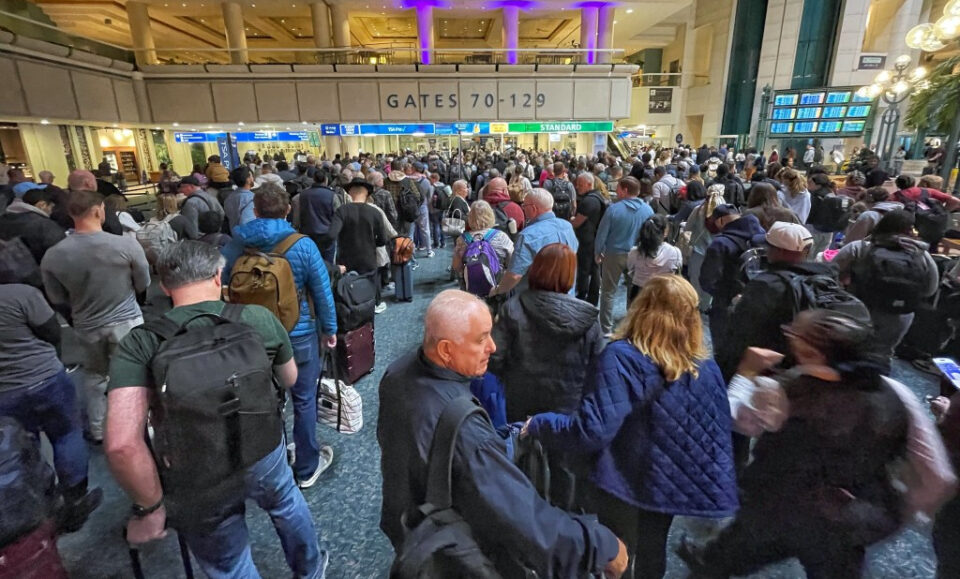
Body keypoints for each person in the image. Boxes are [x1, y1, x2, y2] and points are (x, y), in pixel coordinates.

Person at [105, 241, 328, 578]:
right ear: (218, 275)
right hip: (262, 444)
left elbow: (121, 443)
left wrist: (150, 508)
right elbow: (290, 378)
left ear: (164, 286)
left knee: (229, 562)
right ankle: (310, 570)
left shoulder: (141, 342)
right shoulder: (255, 317)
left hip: (195, 466)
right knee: (285, 502)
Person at [377, 289, 628, 578]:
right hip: (451, 550)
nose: (493, 347)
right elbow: (527, 521)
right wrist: (600, 544)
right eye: (481, 338)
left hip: (405, 523)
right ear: (446, 349)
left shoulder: (395, 374)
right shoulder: (467, 431)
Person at [525, 275, 738, 579]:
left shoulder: (622, 358)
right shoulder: (705, 366)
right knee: (653, 550)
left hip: (622, 479)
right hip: (668, 481)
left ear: (642, 308)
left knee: (617, 553)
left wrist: (541, 423)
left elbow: (591, 430)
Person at [679, 310, 909, 578]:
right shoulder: (895, 394)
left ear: (814, 351)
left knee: (725, 558)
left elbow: (734, 418)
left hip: (776, 505)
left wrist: (747, 371)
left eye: (793, 333)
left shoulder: (787, 391)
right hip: (844, 517)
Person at [221, 183, 338, 488]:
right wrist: (330, 329)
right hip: (296, 333)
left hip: (250, 334)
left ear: (255, 210)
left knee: (266, 401)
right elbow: (322, 291)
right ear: (288, 209)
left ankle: (274, 462)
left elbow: (220, 282)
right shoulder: (302, 245)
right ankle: (307, 466)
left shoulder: (237, 243)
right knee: (303, 398)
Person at [40, 190, 150, 443]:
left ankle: (99, 429)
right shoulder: (124, 245)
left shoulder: (54, 255)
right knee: (134, 372)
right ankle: (138, 425)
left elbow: (56, 296)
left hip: (86, 324)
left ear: (70, 213)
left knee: (95, 376)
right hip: (126, 320)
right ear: (99, 210)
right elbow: (142, 282)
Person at [0, 279, 103, 533]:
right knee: (67, 436)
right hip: (45, 378)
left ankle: (40, 507)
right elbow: (52, 332)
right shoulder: (20, 294)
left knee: (23, 448)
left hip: (5, 391)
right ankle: (76, 501)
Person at [489, 243, 601, 422]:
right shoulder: (588, 318)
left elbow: (494, 359)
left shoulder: (512, 308)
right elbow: (598, 368)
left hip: (521, 402)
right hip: (569, 405)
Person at [718, 222, 833, 378]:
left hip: (763, 369)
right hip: (801, 369)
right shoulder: (825, 278)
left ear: (780, 251)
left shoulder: (766, 284)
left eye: (770, 246)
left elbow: (740, 334)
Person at [832, 210, 939, 364]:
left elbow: (830, 273)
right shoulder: (921, 255)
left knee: (847, 351)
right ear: (910, 231)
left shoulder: (859, 248)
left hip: (858, 307)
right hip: (899, 315)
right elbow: (930, 289)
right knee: (882, 355)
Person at [699, 206, 765, 354]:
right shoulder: (763, 236)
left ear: (721, 220)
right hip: (759, 302)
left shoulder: (720, 244)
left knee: (724, 352)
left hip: (726, 305)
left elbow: (707, 280)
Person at [595, 177, 655, 334]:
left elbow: (602, 234)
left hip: (613, 254)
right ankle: (631, 324)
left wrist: (598, 252)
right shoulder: (648, 210)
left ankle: (606, 327)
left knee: (608, 292)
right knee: (634, 290)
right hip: (638, 255)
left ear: (625, 190)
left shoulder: (613, 209)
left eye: (619, 188)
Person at [491, 188, 577, 297]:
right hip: (567, 296)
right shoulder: (567, 226)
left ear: (533, 208)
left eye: (524, 206)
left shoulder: (528, 236)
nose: (523, 209)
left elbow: (514, 275)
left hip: (538, 303)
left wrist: (498, 290)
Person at [322, 178, 389, 312]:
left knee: (348, 289)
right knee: (370, 286)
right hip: (368, 258)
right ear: (367, 195)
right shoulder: (375, 212)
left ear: (350, 193)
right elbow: (382, 239)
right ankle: (375, 304)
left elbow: (331, 235)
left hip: (346, 260)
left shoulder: (342, 211)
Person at [683, 184, 726, 311]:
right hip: (717, 253)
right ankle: (705, 306)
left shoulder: (698, 210)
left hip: (698, 251)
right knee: (711, 280)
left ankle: (695, 304)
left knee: (695, 279)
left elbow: (687, 228)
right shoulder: (728, 212)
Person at [451, 200, 514, 285]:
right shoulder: (501, 236)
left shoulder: (461, 240)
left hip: (471, 288)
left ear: (470, 217)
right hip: (497, 286)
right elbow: (512, 261)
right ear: (491, 216)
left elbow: (456, 266)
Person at [0, 187, 65, 265]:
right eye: (51, 207)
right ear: (42, 205)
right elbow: (61, 252)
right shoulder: (44, 225)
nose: (51, 211)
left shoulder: (4, 219)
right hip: (40, 270)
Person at [626, 214, 681, 304]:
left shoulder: (634, 252)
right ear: (665, 232)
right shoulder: (675, 252)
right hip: (665, 293)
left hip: (640, 293)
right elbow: (677, 271)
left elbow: (631, 270)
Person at [572, 173, 606, 305]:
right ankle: (592, 297)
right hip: (593, 237)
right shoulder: (597, 197)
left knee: (585, 269)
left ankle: (582, 295)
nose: (577, 187)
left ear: (589, 184)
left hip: (587, 240)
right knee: (594, 268)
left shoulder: (589, 201)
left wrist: (571, 221)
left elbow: (577, 222)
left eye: (580, 184)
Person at [223, 166, 255, 234]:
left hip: (233, 235)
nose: (253, 178)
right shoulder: (252, 199)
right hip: (248, 237)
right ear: (248, 180)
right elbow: (247, 222)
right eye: (252, 176)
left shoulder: (229, 198)